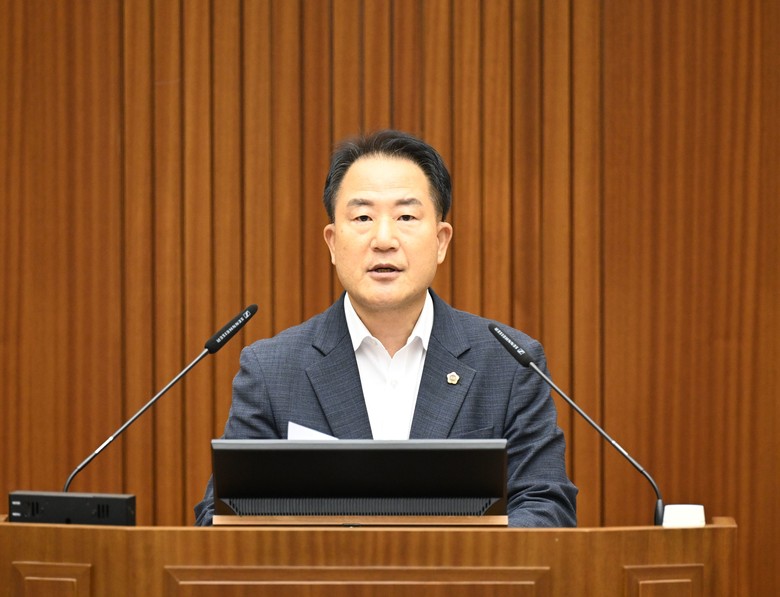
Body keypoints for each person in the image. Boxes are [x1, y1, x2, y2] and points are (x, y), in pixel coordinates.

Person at [194, 129, 577, 526]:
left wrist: (456, 556)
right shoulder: (272, 370)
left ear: (441, 241)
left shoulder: (509, 363)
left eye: (406, 217)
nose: (383, 239)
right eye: (362, 217)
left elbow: (546, 505)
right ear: (332, 242)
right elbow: (220, 517)